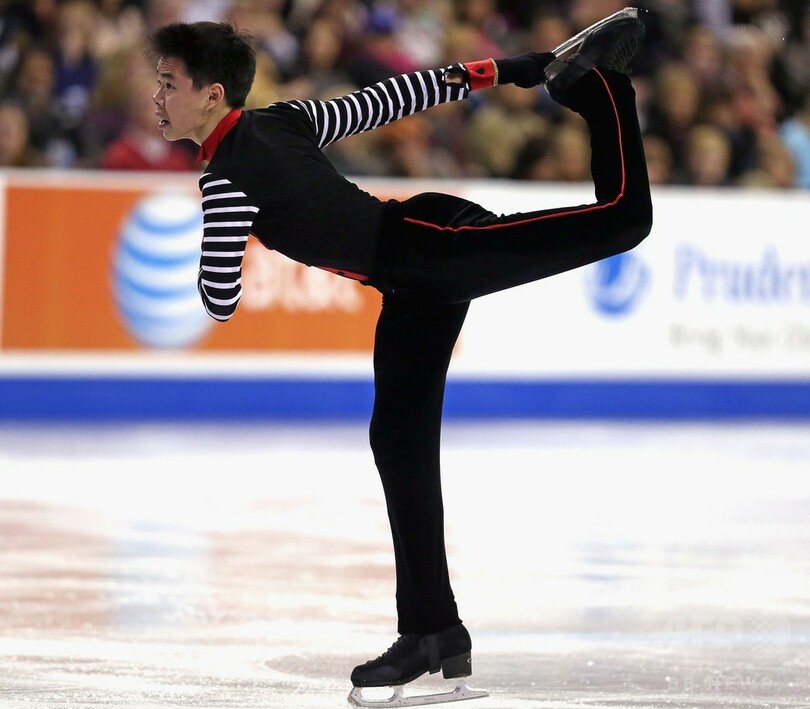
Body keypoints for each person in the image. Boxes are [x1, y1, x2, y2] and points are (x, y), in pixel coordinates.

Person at [146, 14, 652, 705]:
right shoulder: (285, 119)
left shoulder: (226, 181)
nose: (157, 97)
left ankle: (603, 88)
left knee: (624, 217)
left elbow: (219, 299)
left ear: (211, 95)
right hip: (415, 271)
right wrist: (512, 68)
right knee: (396, 439)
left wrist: (219, 221)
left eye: (168, 83)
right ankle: (432, 631)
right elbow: (394, 97)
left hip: (434, 251)